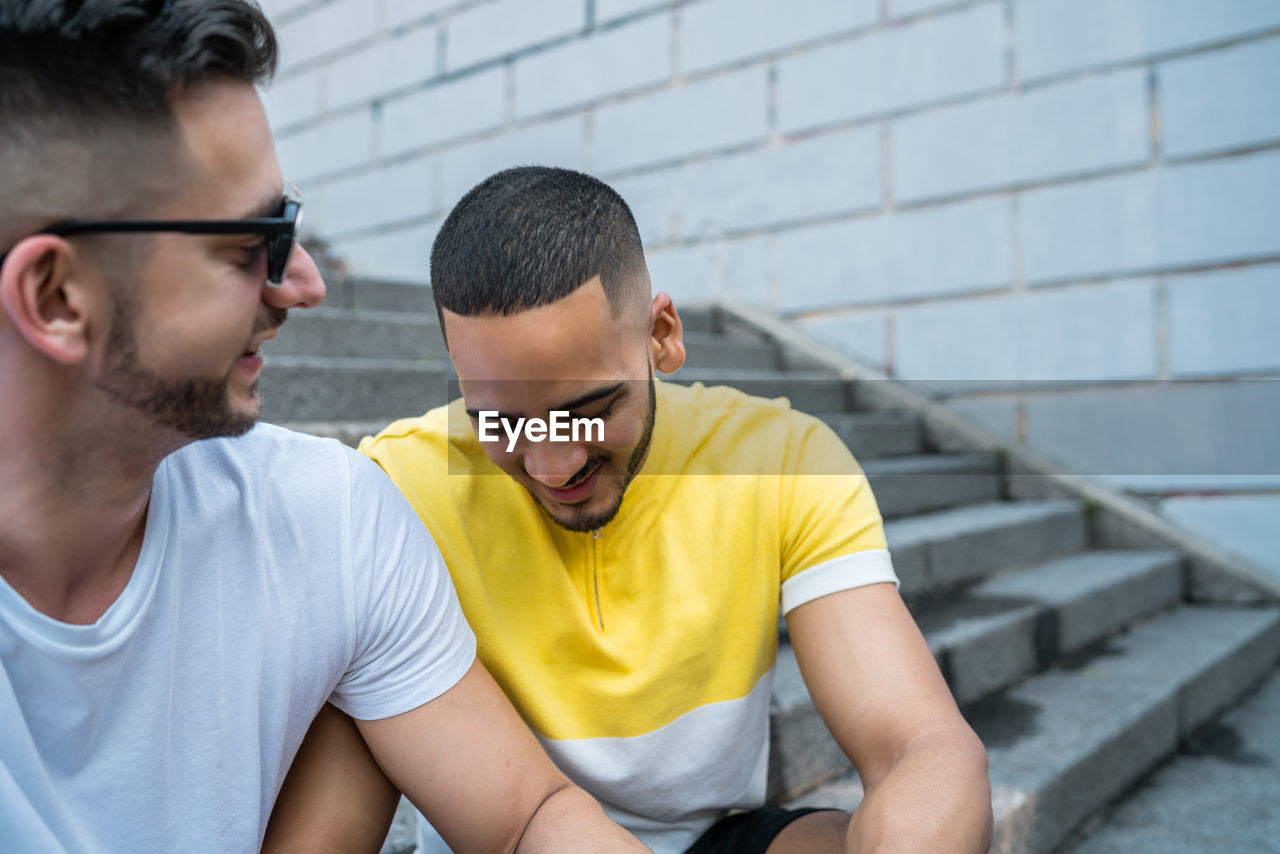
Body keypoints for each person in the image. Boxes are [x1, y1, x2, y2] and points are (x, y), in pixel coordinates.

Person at [0, 4, 647, 852]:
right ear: (57, 297)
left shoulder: (330, 517)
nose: (305, 284)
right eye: (253, 246)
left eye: (292, 230)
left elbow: (527, 819)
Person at [333, 166, 990, 853]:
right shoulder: (398, 488)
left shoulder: (783, 459)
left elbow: (920, 749)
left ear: (662, 334)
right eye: (500, 423)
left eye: (589, 411)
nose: (552, 464)